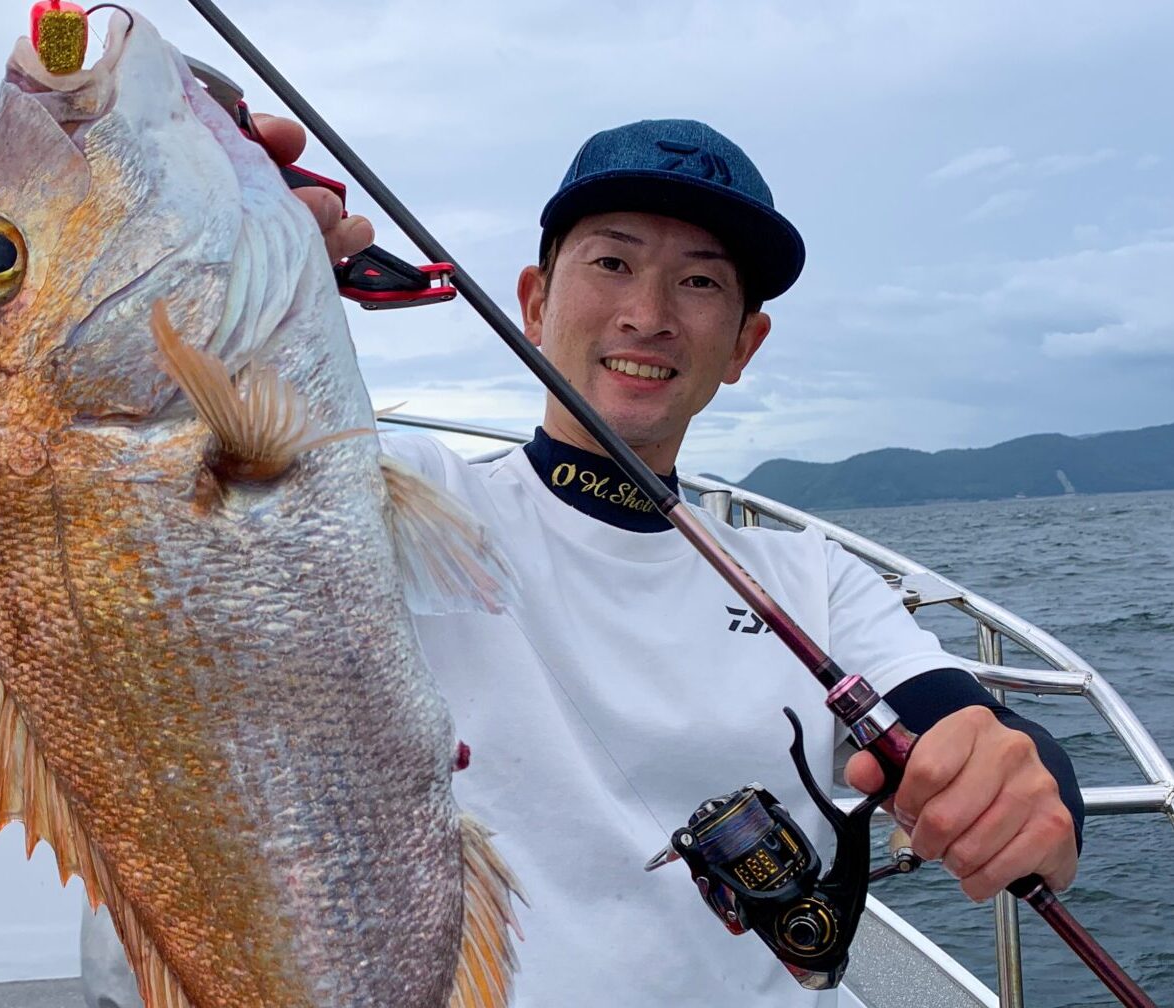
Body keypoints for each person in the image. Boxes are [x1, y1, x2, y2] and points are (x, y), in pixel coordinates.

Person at [257, 114, 1084, 1005]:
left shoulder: (814, 575)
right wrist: (230, 217)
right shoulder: (384, 495)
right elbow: (170, 456)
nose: (646, 316)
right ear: (533, 301)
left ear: (742, 346)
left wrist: (1018, 781)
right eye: (610, 263)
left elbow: (961, 719)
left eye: (698, 283)